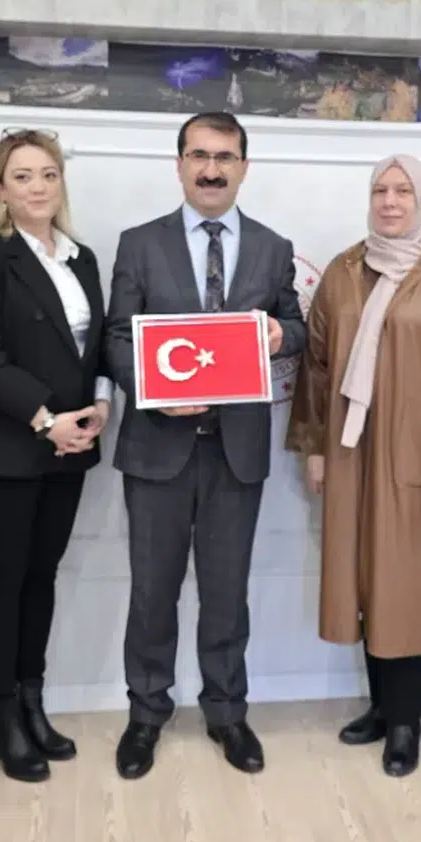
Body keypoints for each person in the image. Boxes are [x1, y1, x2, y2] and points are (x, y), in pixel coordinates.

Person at [104, 111, 306, 779]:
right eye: (199, 155)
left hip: (235, 451)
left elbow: (295, 326)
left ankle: (226, 712)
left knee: (226, 593)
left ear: (243, 166)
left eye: (224, 157)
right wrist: (152, 390)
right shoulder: (140, 244)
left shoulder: (273, 247)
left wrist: (280, 335)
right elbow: (117, 337)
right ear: (180, 164)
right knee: (151, 593)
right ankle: (146, 713)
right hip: (156, 449)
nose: (211, 169)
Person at [285, 156, 421, 776]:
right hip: (352, 451)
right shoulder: (346, 270)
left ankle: (406, 722)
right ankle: (379, 708)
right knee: (365, 579)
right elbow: (318, 366)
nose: (391, 201)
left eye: (403, 191)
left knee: (406, 585)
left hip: (418, 457)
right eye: (381, 190)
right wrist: (316, 446)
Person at [0, 129, 111, 784]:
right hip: (8, 445)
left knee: (41, 576)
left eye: (48, 173)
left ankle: (32, 701)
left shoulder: (81, 257)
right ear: (0, 187)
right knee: (7, 576)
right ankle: (3, 716)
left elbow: (97, 345)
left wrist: (100, 403)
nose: (38, 186)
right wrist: (46, 420)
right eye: (22, 176)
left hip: (70, 445)